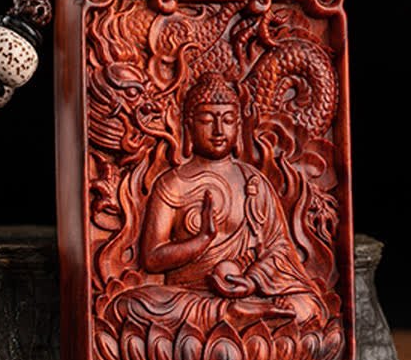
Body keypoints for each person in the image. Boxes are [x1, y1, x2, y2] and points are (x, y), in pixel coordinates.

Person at [104, 73, 329, 336]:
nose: (219, 130)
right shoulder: (173, 183)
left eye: (228, 120)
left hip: (246, 292)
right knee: (125, 307)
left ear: (239, 126)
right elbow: (152, 259)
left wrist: (252, 280)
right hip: (189, 295)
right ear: (188, 126)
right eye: (207, 120)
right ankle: (235, 315)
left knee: (309, 309)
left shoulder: (253, 182)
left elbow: (278, 248)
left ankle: (239, 313)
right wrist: (201, 240)